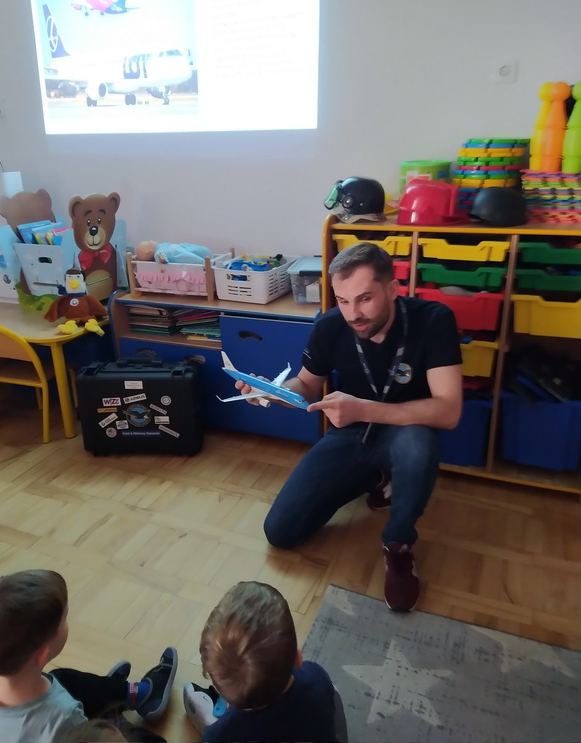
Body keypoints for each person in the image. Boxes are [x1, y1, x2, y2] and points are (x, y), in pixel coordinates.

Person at [238, 242, 463, 613]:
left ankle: (399, 545)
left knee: (416, 445)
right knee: (280, 532)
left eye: (364, 299)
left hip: (407, 429)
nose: (353, 314)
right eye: (343, 301)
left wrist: (365, 409)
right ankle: (377, 478)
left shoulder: (433, 320)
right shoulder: (330, 325)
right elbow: (306, 385)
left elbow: (449, 410)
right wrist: (274, 392)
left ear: (392, 289)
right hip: (352, 433)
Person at [0, 569, 178, 743]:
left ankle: (127, 696)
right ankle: (125, 708)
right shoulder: (66, 717)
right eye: (64, 618)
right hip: (71, 733)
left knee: (62, 679)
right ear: (42, 654)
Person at [182, 581, 347, 743]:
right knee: (331, 693)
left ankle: (210, 713)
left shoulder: (220, 734)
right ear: (297, 659)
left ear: (228, 701)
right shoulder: (316, 677)